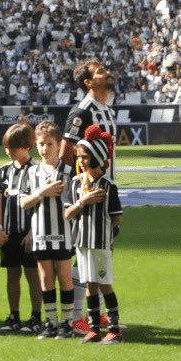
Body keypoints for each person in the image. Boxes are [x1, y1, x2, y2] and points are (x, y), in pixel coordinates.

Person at [61, 60, 118, 331]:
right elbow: (66, 151)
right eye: (99, 72)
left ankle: (93, 316)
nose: (106, 73)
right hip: (88, 193)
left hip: (105, 189)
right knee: (81, 253)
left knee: (99, 255)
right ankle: (76, 316)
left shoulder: (107, 109)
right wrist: (83, 181)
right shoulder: (82, 111)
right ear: (88, 82)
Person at [64, 126, 123, 344]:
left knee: (104, 284)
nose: (82, 161)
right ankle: (94, 328)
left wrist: (108, 235)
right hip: (82, 242)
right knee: (89, 284)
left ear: (97, 156)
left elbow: (117, 218)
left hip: (100, 243)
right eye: (79, 157)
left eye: (85, 156)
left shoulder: (108, 187)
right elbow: (68, 214)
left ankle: (115, 330)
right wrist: (83, 201)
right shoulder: (75, 184)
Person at [20, 121, 77, 339]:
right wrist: (42, 192)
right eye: (41, 144)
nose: (45, 149)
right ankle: (51, 323)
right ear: (36, 145)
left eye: (50, 144)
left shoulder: (68, 171)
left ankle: (67, 324)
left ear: (58, 144)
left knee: (64, 278)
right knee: (45, 279)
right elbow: (23, 202)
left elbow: (72, 203)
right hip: (41, 235)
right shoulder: (32, 172)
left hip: (62, 234)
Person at [0, 122, 41, 333]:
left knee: (32, 274)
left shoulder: (36, 170)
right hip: (9, 231)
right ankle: (14, 316)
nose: (8, 151)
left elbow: (40, 204)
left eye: (13, 147)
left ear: (26, 146)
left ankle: (36, 316)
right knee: (12, 273)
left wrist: (33, 233)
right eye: (7, 147)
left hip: (29, 232)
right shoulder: (4, 171)